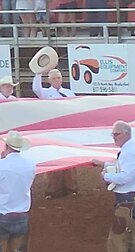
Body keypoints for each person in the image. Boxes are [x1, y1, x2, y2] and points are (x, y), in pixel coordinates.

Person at [90, 120, 135, 252]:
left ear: (126, 134)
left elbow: (124, 177)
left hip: (126, 200)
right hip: (130, 199)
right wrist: (105, 164)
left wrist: (105, 176)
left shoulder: (130, 152)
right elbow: (123, 168)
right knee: (130, 238)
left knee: (118, 239)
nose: (114, 138)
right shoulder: (130, 150)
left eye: (116, 134)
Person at [33, 67, 78, 198]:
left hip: (68, 130)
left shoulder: (69, 93)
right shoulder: (46, 93)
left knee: (70, 159)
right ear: (49, 80)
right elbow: (36, 88)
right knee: (54, 158)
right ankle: (52, 190)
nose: (57, 80)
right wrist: (38, 72)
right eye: (54, 78)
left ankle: (71, 188)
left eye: (58, 77)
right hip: (53, 130)